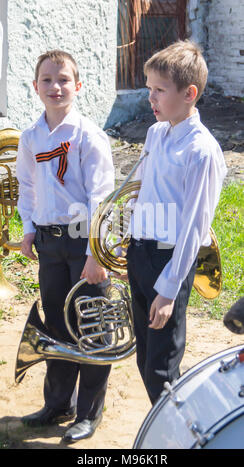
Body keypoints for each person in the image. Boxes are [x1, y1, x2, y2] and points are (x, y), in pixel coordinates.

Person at [16, 50, 114, 443]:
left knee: (90, 325)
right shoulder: (30, 137)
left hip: (82, 243)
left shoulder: (88, 135)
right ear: (35, 86)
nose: (55, 87)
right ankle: (59, 403)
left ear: (78, 86)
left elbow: (101, 198)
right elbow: (27, 187)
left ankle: (88, 412)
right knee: (56, 326)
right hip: (49, 244)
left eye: (63, 80)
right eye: (47, 80)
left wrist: (96, 253)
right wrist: (27, 229)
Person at [125, 40, 227, 405]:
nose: (150, 98)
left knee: (162, 368)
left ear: (189, 93)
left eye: (159, 90)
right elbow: (142, 193)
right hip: (140, 254)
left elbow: (194, 229)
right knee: (144, 358)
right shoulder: (156, 132)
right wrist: (128, 246)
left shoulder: (202, 150)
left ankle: (183, 436)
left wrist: (168, 289)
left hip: (168, 262)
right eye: (149, 88)